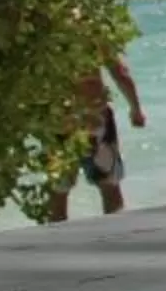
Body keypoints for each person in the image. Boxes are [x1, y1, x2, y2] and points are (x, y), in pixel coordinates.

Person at [50, 56, 146, 221]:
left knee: (60, 190)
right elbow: (120, 74)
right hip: (94, 121)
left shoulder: (45, 36)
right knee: (109, 186)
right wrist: (135, 110)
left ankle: (57, 242)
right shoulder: (93, 35)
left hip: (60, 122)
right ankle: (117, 238)